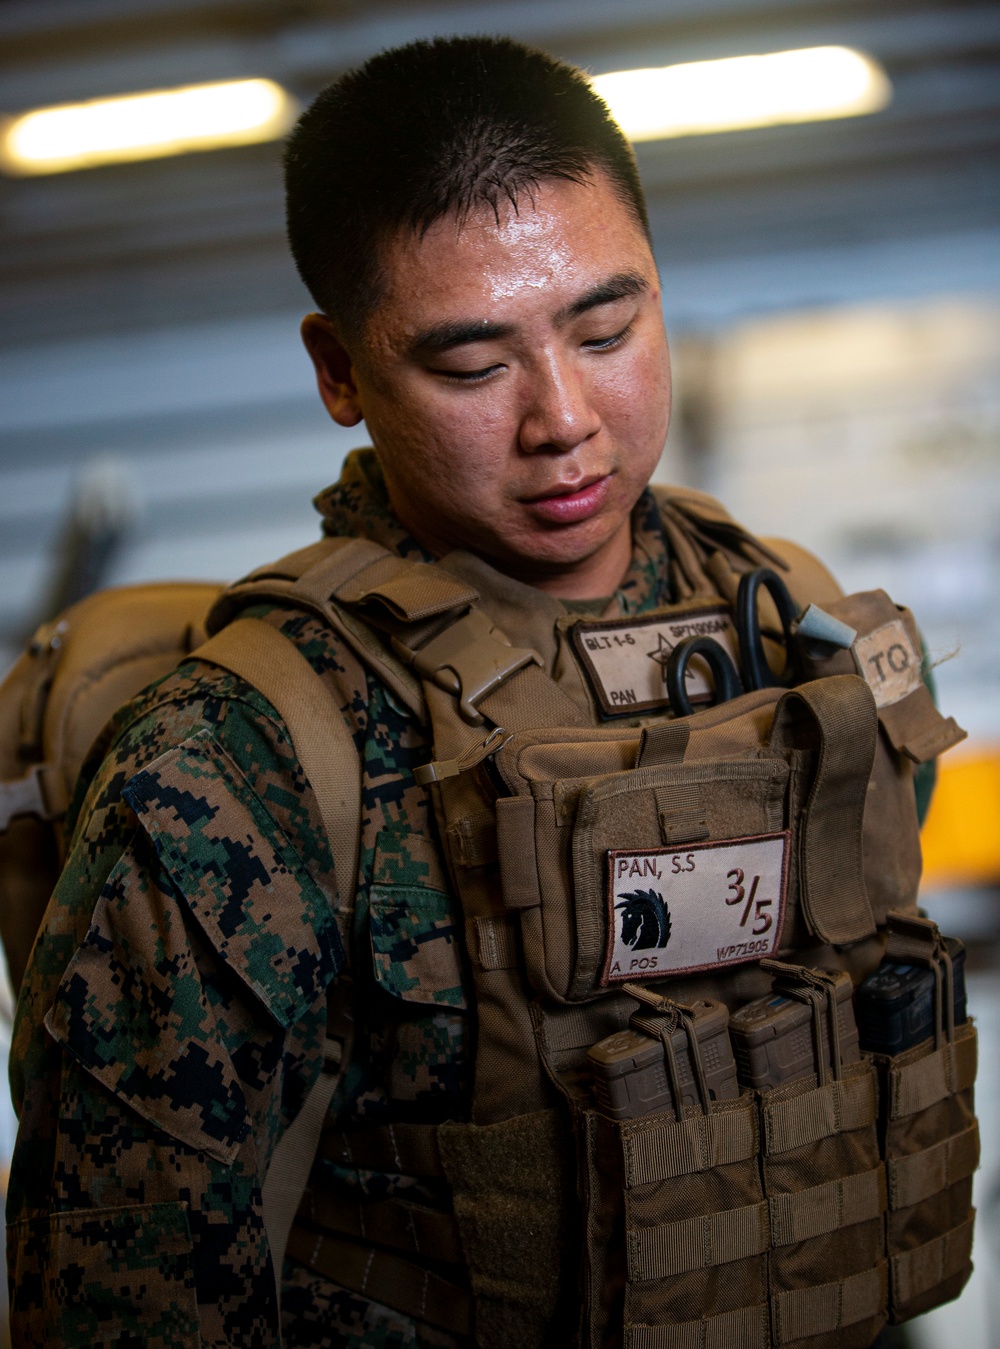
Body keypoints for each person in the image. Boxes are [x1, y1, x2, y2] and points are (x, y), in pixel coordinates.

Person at [5, 35, 957, 1349]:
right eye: (470, 364)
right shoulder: (247, 751)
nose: (563, 414)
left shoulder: (783, 620)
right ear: (339, 370)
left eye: (609, 325)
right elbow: (124, 1301)